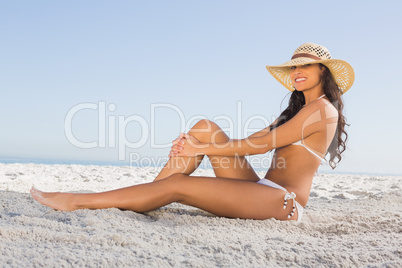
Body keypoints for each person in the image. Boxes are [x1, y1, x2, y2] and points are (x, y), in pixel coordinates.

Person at [31, 42, 354, 222]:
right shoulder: (300, 109)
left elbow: (259, 147)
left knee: (180, 183)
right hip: (264, 188)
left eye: (305, 66)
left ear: (322, 71)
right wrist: (196, 143)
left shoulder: (322, 110)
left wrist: (199, 151)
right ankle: (149, 194)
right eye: (294, 67)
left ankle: (78, 200)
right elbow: (248, 143)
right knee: (204, 128)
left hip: (284, 204)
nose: (297, 72)